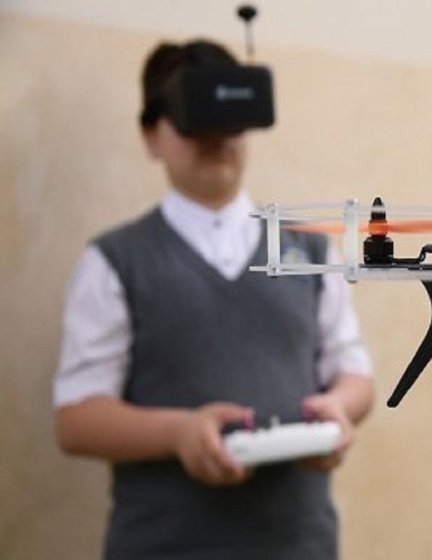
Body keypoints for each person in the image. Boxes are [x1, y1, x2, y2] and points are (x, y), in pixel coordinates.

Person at [53, 39, 375, 560]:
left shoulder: (310, 251)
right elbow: (76, 420)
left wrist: (338, 410)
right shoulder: (113, 263)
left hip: (300, 544)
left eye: (231, 123)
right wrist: (179, 433)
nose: (216, 139)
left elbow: (354, 374)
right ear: (151, 136)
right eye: (193, 121)